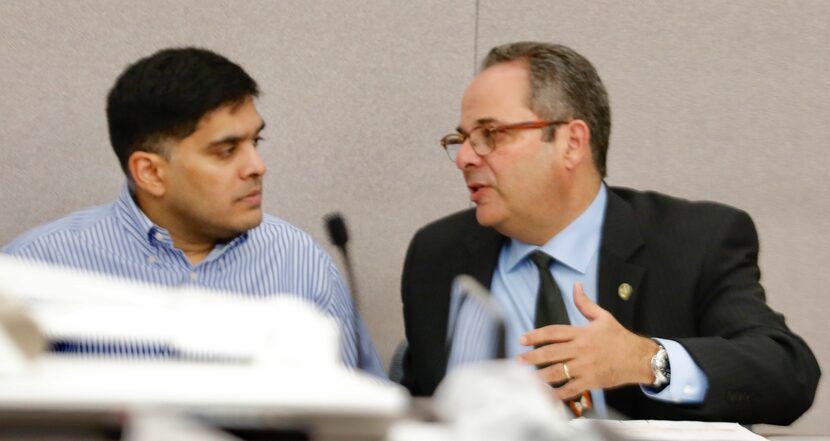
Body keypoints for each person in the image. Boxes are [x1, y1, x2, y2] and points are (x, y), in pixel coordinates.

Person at [399, 41, 819, 424]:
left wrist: (646, 359)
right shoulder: (437, 255)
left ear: (572, 142)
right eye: (462, 138)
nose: (466, 158)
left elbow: (788, 373)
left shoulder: (695, 241)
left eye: (491, 134)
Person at [2, 47, 384, 376]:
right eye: (226, 150)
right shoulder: (37, 269)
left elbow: (365, 415)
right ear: (151, 172)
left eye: (256, 141)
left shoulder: (300, 263)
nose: (257, 166)